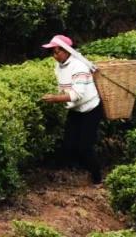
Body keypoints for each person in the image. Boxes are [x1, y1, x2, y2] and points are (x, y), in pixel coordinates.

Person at [40, 35, 103, 184]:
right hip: (76, 110)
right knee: (68, 143)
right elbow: (65, 88)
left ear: (67, 51)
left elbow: (77, 94)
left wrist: (55, 99)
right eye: (52, 53)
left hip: (90, 109)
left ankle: (97, 179)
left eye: (57, 52)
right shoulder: (59, 66)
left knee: (85, 146)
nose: (54, 56)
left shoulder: (79, 67)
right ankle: (78, 173)